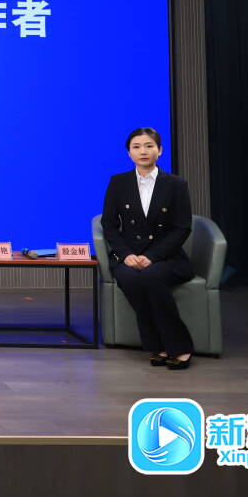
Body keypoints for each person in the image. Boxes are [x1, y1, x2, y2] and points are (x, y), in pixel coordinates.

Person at [101, 127, 195, 370]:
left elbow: (181, 228)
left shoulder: (175, 184)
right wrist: (126, 255)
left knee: (151, 277)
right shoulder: (118, 183)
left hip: (166, 257)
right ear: (129, 153)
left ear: (160, 150)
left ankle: (180, 347)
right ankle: (159, 346)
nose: (143, 151)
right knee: (130, 279)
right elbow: (109, 225)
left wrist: (152, 256)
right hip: (128, 256)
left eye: (149, 146)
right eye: (136, 147)